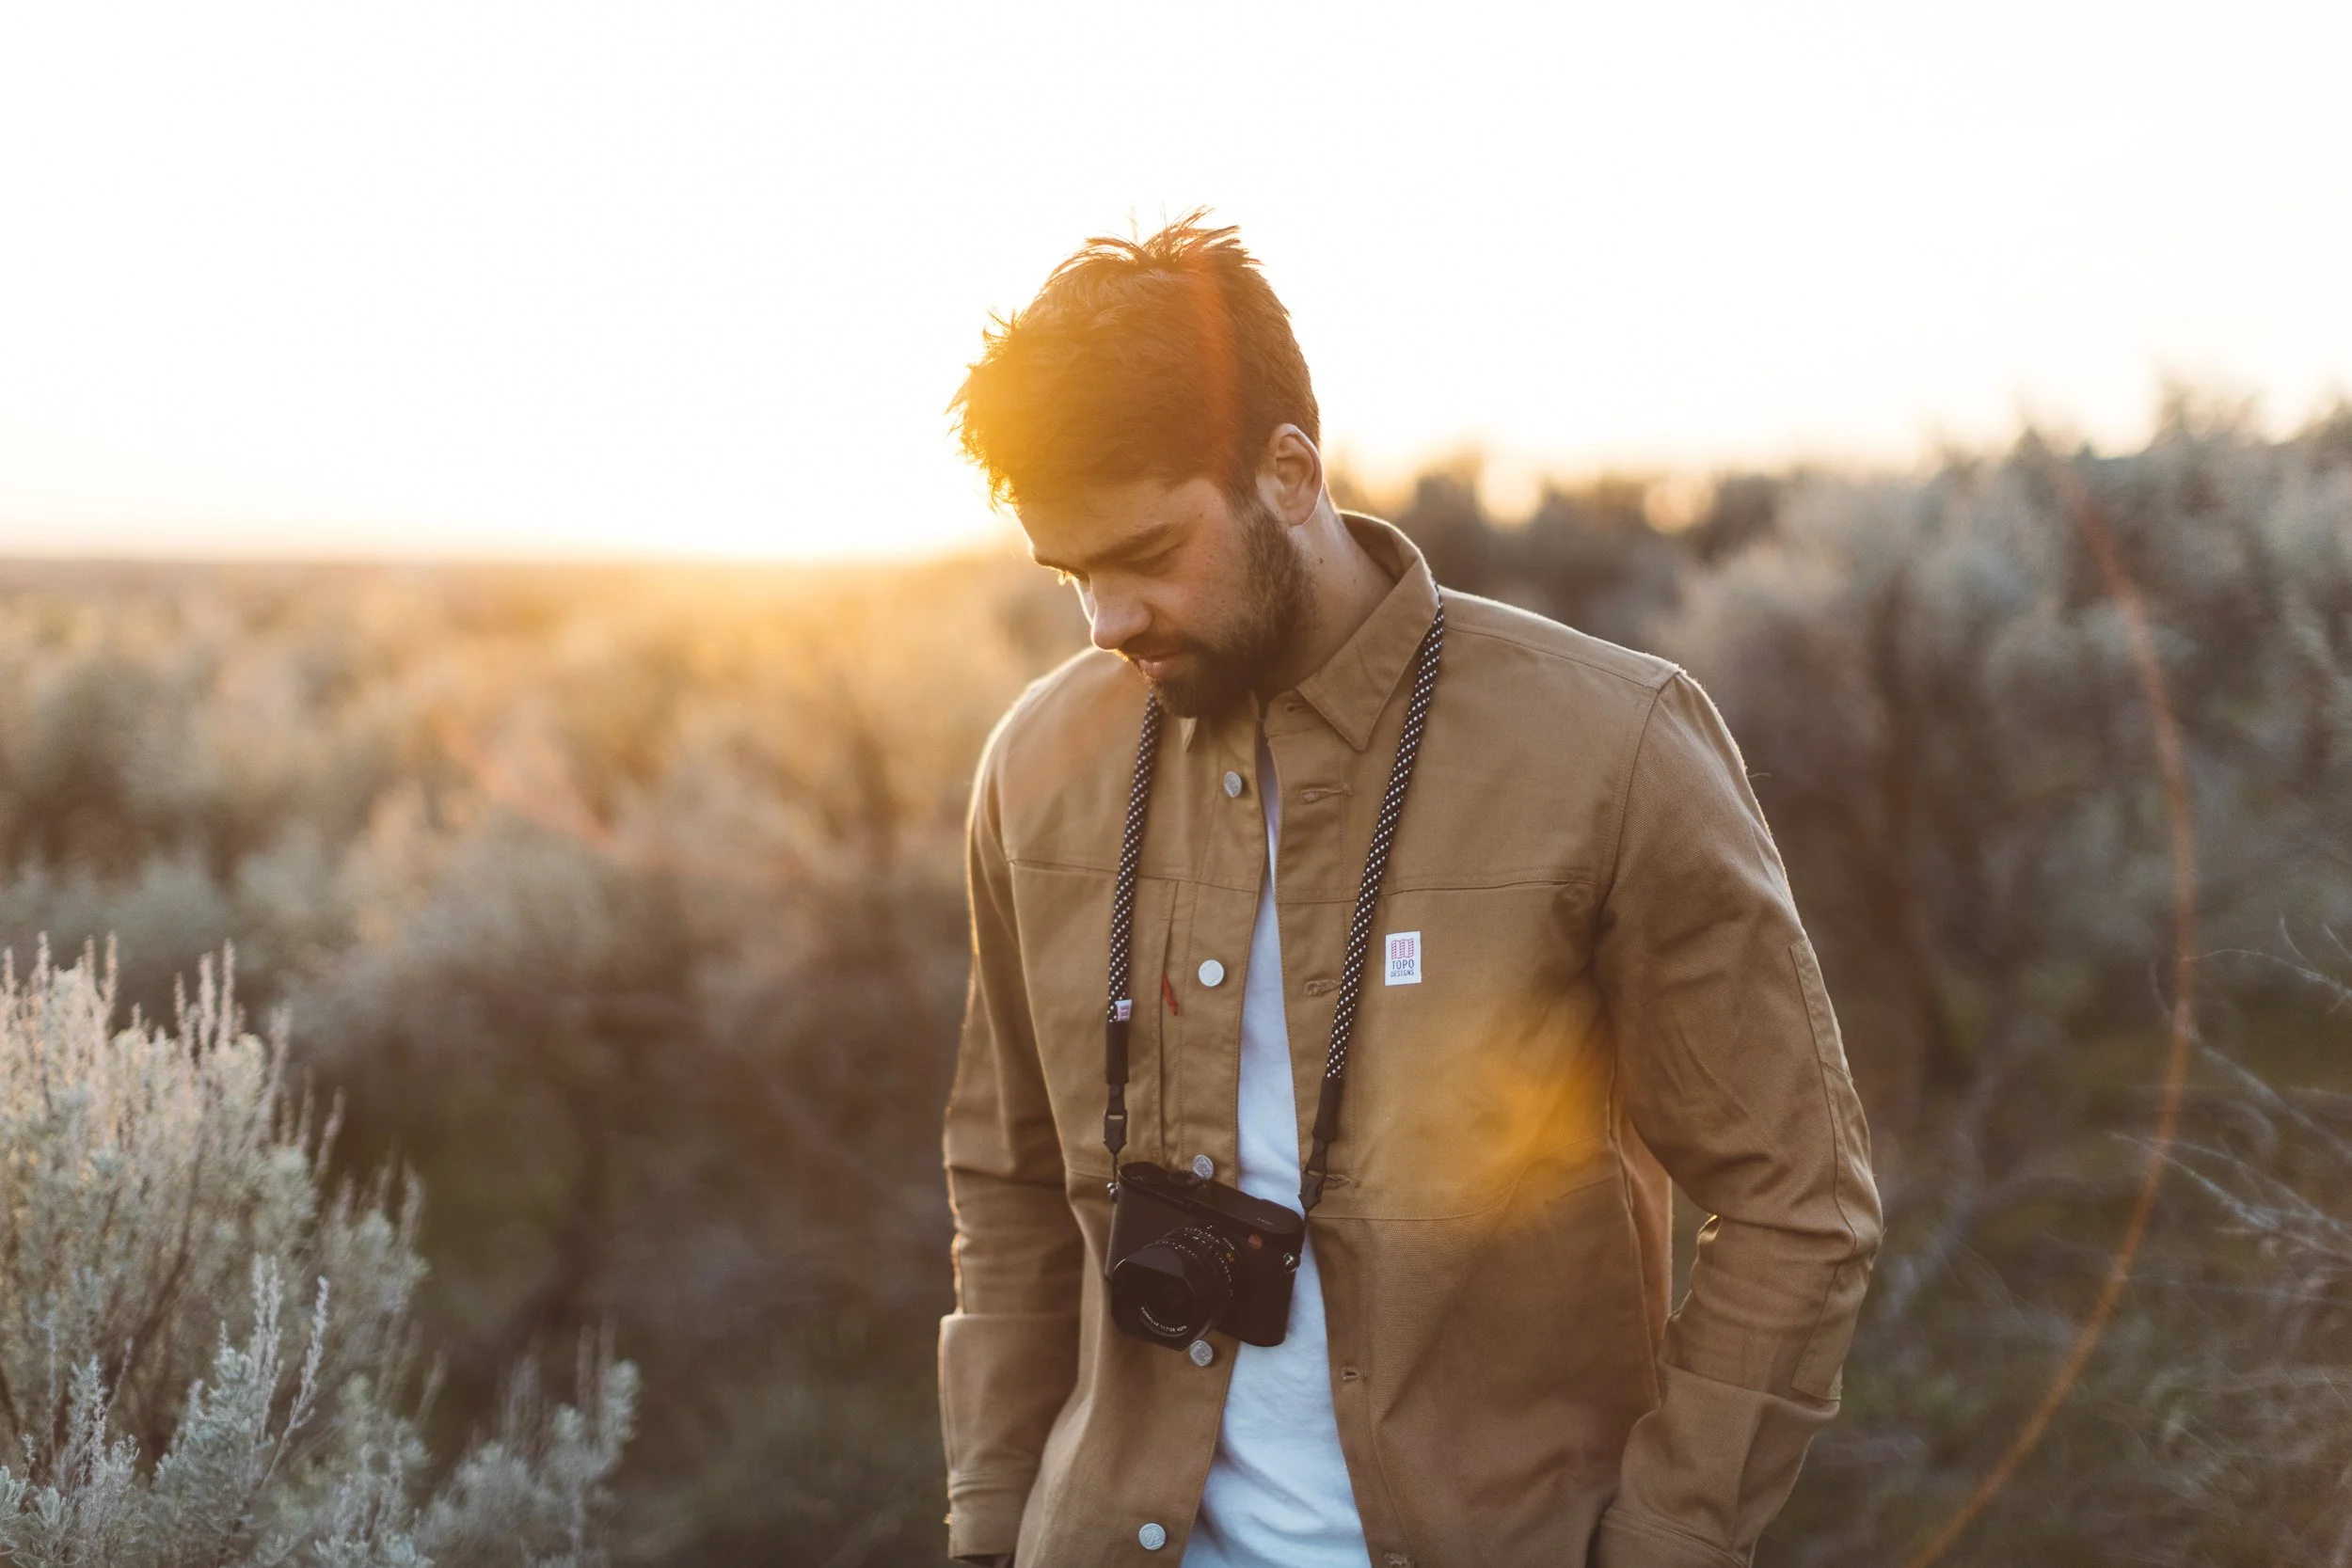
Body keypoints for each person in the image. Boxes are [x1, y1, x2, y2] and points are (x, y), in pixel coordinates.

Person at [938, 214, 1880, 1568]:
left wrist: (1670, 1538)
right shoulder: (1038, 766)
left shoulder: (1610, 748)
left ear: (1289, 472)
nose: (1107, 621)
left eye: (1145, 554)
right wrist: (985, 1525)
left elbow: (1803, 1200)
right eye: (1073, 574)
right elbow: (1009, 1185)